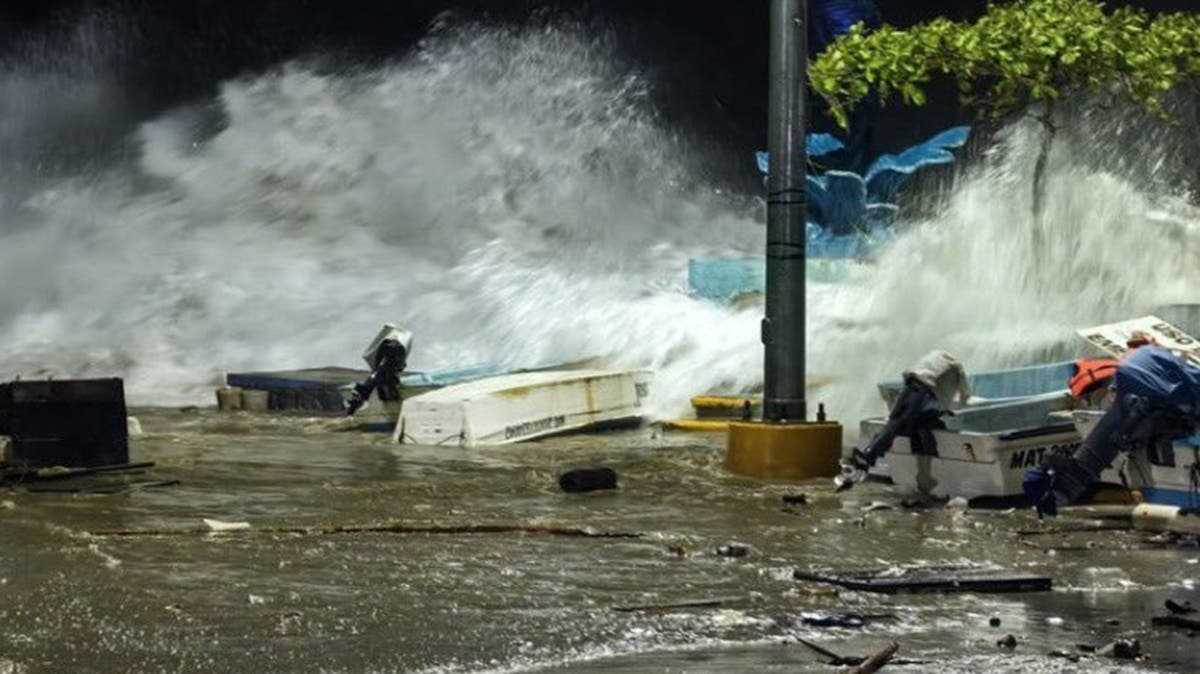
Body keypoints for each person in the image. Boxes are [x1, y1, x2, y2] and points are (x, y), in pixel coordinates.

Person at [1023, 345, 1200, 516]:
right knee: (1127, 425)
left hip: (1136, 381)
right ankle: (1067, 483)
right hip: (1150, 389)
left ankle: (1066, 483)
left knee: (1123, 425)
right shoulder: (1161, 364)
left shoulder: (1148, 357)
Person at [836, 350, 971, 490]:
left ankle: (870, 457)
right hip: (930, 398)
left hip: (920, 390)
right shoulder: (953, 370)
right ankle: (922, 475)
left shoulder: (934, 365)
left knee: (899, 423)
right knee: (916, 428)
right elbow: (963, 395)